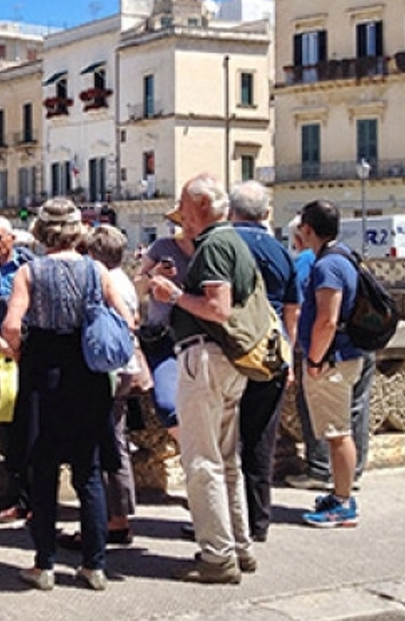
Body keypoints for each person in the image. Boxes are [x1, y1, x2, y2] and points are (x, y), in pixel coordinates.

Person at [2, 197, 134, 592]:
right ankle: (94, 566)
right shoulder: (97, 270)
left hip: (44, 373)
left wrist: (20, 350)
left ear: (42, 232)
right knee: (88, 472)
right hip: (87, 375)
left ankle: (44, 565)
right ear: (78, 232)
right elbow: (128, 320)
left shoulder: (30, 271)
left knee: (42, 471)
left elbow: (11, 325)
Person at [146, 173, 257, 585]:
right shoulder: (237, 244)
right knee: (228, 460)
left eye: (184, 207)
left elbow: (217, 307)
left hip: (203, 357)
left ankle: (217, 558)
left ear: (203, 208)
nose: (181, 217)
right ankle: (238, 546)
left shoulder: (212, 247)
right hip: (231, 362)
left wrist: (172, 294)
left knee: (201, 461)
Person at [228, 181, 300, 544]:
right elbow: (292, 311)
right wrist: (290, 356)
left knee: (220, 442)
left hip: (227, 352)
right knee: (260, 441)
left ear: (230, 211)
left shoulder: (220, 245)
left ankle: (225, 521)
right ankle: (259, 520)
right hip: (271, 354)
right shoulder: (282, 252)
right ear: (267, 214)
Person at [62, 225, 142, 549]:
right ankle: (119, 516)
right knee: (117, 442)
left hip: (107, 370)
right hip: (125, 367)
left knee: (105, 445)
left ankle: (112, 520)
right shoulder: (125, 281)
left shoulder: (106, 282)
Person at [285, 223, 375, 494]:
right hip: (361, 344)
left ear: (301, 235)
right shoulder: (348, 255)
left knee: (329, 422)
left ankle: (324, 473)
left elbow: (317, 316)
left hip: (330, 352)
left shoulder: (312, 263)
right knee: (356, 410)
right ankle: (351, 473)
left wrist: (311, 359)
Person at [294, 200, 368, 528]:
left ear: (308, 229)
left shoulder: (326, 267)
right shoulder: (345, 256)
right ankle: (340, 495)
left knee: (338, 433)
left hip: (332, 361)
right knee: (340, 431)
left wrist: (314, 359)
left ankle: (342, 503)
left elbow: (327, 319)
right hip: (347, 355)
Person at [0, 215, 35, 525]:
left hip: (24, 356)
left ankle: (27, 498)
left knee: (25, 431)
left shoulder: (28, 269)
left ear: (12, 239)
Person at [132, 220, 194, 441]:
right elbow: (136, 291)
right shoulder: (162, 247)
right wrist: (153, 275)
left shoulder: (212, 249)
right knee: (168, 404)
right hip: (163, 338)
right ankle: (193, 456)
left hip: (202, 337)